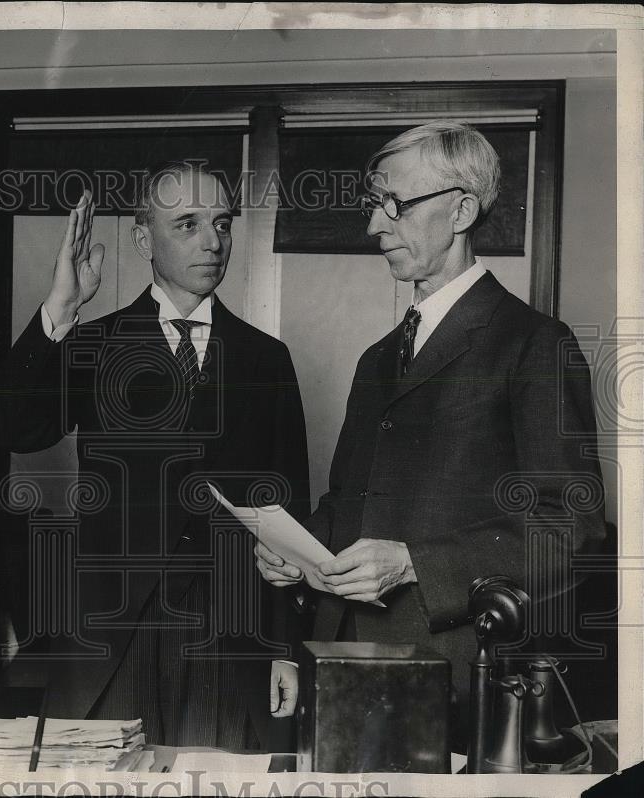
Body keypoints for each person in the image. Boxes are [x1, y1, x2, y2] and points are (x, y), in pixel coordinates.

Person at [258, 121, 606, 742]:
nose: (374, 225)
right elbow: (348, 505)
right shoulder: (376, 358)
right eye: (374, 204)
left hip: (456, 678)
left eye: (396, 204)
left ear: (463, 209)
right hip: (340, 667)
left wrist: (417, 563)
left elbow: (571, 529)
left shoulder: (534, 344)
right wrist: (298, 546)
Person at [0, 162, 311, 748]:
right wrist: (60, 309)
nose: (213, 242)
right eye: (187, 224)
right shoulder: (94, 343)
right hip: (112, 643)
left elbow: (290, 514)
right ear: (143, 239)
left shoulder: (268, 359)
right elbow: (12, 426)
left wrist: (285, 649)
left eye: (222, 223)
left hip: (231, 641)